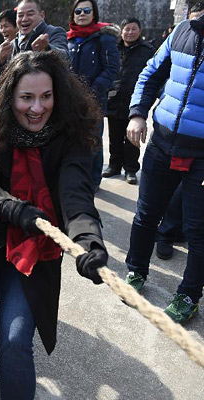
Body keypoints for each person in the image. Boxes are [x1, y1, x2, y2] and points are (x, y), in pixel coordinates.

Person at [0, 50, 106, 399]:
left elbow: (76, 196)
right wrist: (13, 211)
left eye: (46, 96)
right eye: (26, 97)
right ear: (9, 98)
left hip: (35, 246)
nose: (37, 107)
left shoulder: (71, 138)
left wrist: (88, 241)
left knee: (16, 341)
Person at [124, 11, 204, 324]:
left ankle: (189, 295)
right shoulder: (182, 30)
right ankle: (135, 271)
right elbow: (151, 74)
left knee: (198, 231)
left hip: (201, 156)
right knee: (146, 215)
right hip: (161, 143)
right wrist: (138, 113)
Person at [67, 0, 120, 189]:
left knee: (93, 141)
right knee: (72, 140)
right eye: (78, 11)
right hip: (70, 100)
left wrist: (92, 90)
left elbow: (112, 69)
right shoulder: (69, 39)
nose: (82, 14)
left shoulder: (104, 38)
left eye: (86, 10)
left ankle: (93, 181)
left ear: (94, 14)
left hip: (94, 100)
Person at [105, 17, 155, 183]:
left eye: (134, 29)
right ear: (121, 31)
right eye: (127, 29)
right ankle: (114, 165)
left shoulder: (147, 51)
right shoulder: (113, 49)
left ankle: (131, 169)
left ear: (140, 31)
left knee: (132, 138)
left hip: (135, 102)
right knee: (114, 137)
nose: (130, 32)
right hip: (114, 99)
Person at [5, 0, 69, 62]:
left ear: (42, 15)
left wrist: (47, 48)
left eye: (30, 14)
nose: (24, 19)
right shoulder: (13, 43)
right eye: (20, 15)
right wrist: (1, 62)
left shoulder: (54, 32)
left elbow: (66, 58)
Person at [0, 8, 18, 77]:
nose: (3, 30)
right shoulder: (4, 48)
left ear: (17, 26)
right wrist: (0, 61)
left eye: (6, 26)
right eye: (1, 27)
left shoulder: (24, 45)